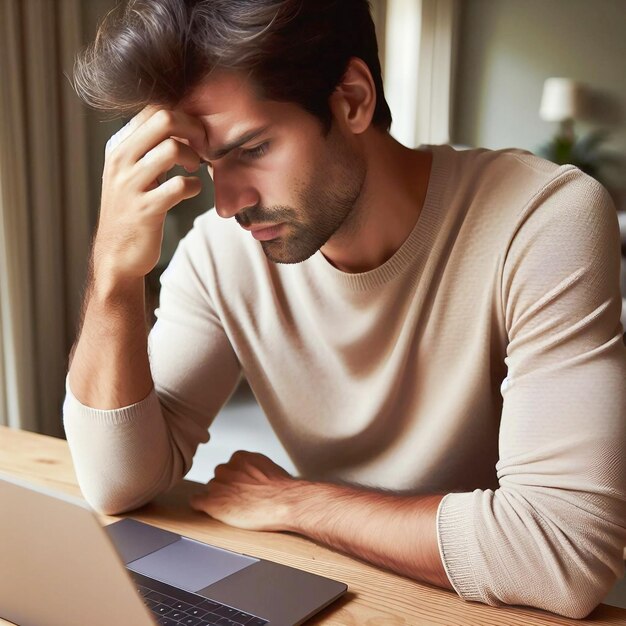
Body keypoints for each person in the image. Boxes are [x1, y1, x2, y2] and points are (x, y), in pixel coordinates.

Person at [63, 0, 626, 619]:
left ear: (352, 98)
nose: (227, 204)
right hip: (347, 595)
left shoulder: (542, 219)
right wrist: (114, 273)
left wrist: (300, 503)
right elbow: (118, 482)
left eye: (251, 149)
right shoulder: (220, 255)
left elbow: (561, 553)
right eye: (210, 163)